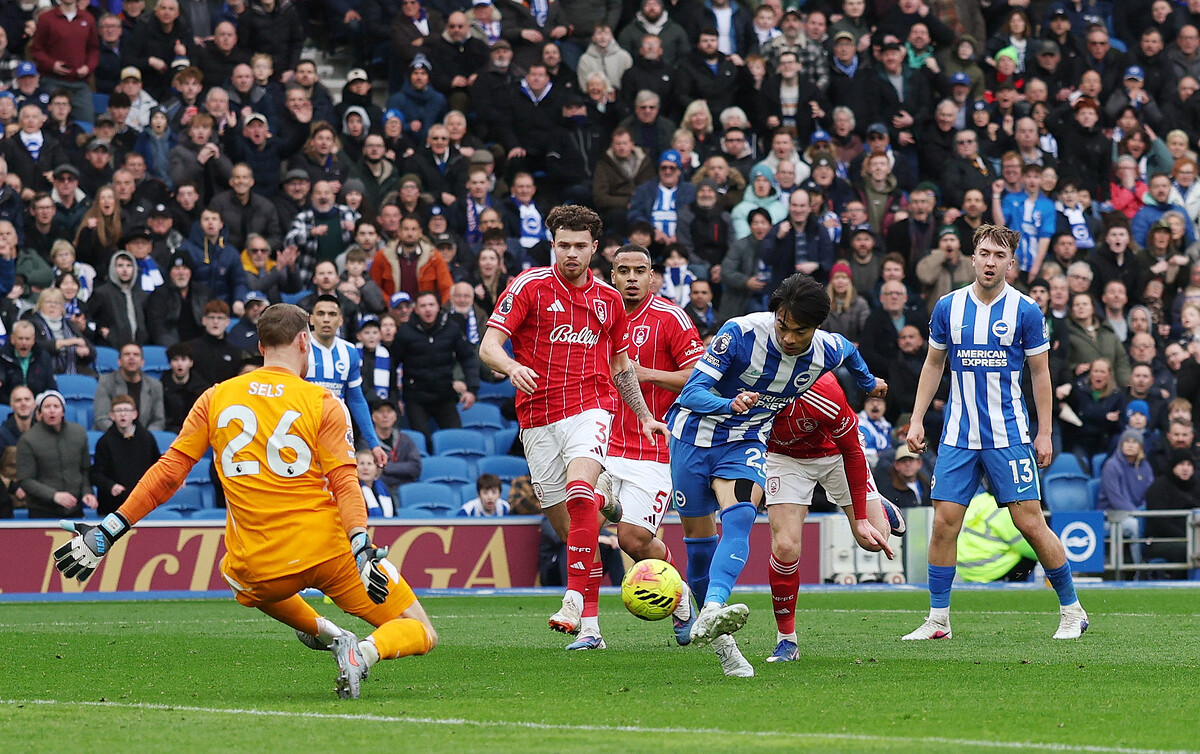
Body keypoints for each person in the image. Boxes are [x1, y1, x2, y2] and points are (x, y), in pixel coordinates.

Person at [52, 303, 438, 699]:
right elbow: (344, 480)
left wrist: (111, 528)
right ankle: (365, 652)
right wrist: (360, 541)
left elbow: (169, 472)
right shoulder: (322, 401)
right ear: (305, 341)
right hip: (330, 552)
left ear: (259, 345)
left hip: (261, 565)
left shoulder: (216, 397)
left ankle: (328, 632)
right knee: (421, 629)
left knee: (236, 575)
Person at [666, 273, 887, 677]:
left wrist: (870, 383)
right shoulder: (739, 333)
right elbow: (690, 394)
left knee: (742, 516)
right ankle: (719, 637)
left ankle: (715, 610)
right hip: (692, 439)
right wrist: (729, 402)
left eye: (798, 331)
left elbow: (851, 354)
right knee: (698, 548)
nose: (788, 337)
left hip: (746, 441)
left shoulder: (826, 348)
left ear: (816, 327)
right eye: (782, 326)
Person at [478, 205, 669, 639]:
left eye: (580, 246)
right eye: (563, 245)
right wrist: (510, 367)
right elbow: (489, 345)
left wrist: (642, 417)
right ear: (552, 244)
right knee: (570, 527)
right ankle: (607, 514)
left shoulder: (609, 300)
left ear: (594, 249)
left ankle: (580, 612)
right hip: (538, 417)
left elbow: (620, 367)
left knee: (581, 495)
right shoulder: (528, 286)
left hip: (590, 406)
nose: (571, 253)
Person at [904, 224, 1089, 642]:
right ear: (973, 257)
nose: (990, 262)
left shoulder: (1025, 311)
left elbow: (1040, 375)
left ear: (1011, 263)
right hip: (957, 435)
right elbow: (934, 365)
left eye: (999, 256)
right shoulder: (948, 307)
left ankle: (1072, 610)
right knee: (944, 524)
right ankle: (938, 620)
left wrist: (1044, 433)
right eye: (984, 253)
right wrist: (916, 420)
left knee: (1030, 523)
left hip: (1008, 436)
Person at [573, 244, 705, 652]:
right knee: (584, 520)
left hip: (654, 449)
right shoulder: (591, 314)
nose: (631, 277)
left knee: (632, 540)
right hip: (600, 442)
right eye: (623, 270)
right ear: (610, 275)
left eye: (640, 270)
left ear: (653, 277)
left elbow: (699, 378)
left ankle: (680, 597)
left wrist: (641, 372)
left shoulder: (671, 318)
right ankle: (589, 629)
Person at [763, 372, 905, 662]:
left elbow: (852, 452)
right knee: (786, 547)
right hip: (784, 458)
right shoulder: (753, 378)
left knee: (874, 541)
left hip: (837, 454)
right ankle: (787, 640)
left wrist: (863, 519)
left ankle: (877, 505)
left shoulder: (825, 391)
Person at [306, 295, 387, 468]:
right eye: (320, 314)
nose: (326, 319)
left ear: (340, 320)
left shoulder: (349, 351)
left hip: (336, 431)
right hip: (304, 431)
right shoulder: (300, 347)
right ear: (311, 319)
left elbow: (356, 400)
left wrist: (374, 444)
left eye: (332, 314)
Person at [392, 290, 479, 441]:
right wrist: (394, 398)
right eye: (423, 306)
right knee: (422, 442)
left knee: (456, 440)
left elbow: (468, 358)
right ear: (416, 309)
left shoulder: (451, 328)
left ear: (438, 306)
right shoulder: (405, 332)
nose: (428, 309)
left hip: (445, 396)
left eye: (431, 305)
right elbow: (392, 365)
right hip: (415, 398)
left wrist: (471, 389)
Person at [17, 390, 95, 519]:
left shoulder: (78, 433)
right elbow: (25, 480)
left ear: (63, 411)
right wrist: (54, 495)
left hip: (74, 508)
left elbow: (85, 470)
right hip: (42, 510)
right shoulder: (28, 439)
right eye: (47, 407)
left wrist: (87, 492)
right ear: (40, 413)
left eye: (56, 406)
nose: (52, 411)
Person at [90, 394, 161, 515]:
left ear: (135, 414)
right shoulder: (104, 442)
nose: (123, 414)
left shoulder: (147, 438)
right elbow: (96, 474)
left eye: (127, 410)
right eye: (118, 411)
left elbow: (157, 465)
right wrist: (111, 486)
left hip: (141, 505)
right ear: (112, 416)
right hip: (112, 508)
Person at [93, 342, 166, 432]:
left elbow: (159, 420)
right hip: (113, 437)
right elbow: (102, 418)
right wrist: (124, 435)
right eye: (127, 354)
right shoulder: (105, 382)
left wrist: (144, 437)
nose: (131, 358)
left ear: (142, 362)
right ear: (119, 362)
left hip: (144, 439)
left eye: (136, 354)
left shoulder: (155, 385)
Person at [185, 300, 247, 385]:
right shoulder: (190, 349)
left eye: (220, 318)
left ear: (227, 322)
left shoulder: (235, 353)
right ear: (204, 320)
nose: (215, 322)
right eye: (211, 317)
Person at [370, 397, 421, 492]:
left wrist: (386, 467)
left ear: (395, 416)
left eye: (389, 412)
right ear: (373, 417)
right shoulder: (366, 441)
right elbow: (371, 472)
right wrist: (402, 473)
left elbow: (415, 468)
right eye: (381, 412)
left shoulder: (405, 439)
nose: (385, 416)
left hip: (407, 491)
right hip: (379, 490)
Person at [0, 320, 58, 403]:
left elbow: (51, 388)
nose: (24, 342)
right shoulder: (2, 357)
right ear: (12, 339)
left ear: (33, 339)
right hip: (8, 406)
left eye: (27, 339)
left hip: (37, 406)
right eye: (20, 338)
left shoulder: (44, 357)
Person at [162, 341, 210, 433]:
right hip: (170, 431)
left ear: (191, 363)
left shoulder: (202, 388)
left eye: (183, 359)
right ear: (170, 363)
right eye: (175, 360)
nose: (179, 364)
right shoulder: (161, 386)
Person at [356, 448, 394, 518]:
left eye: (369, 464)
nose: (365, 468)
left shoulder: (386, 490)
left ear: (377, 469)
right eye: (361, 463)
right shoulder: (352, 491)